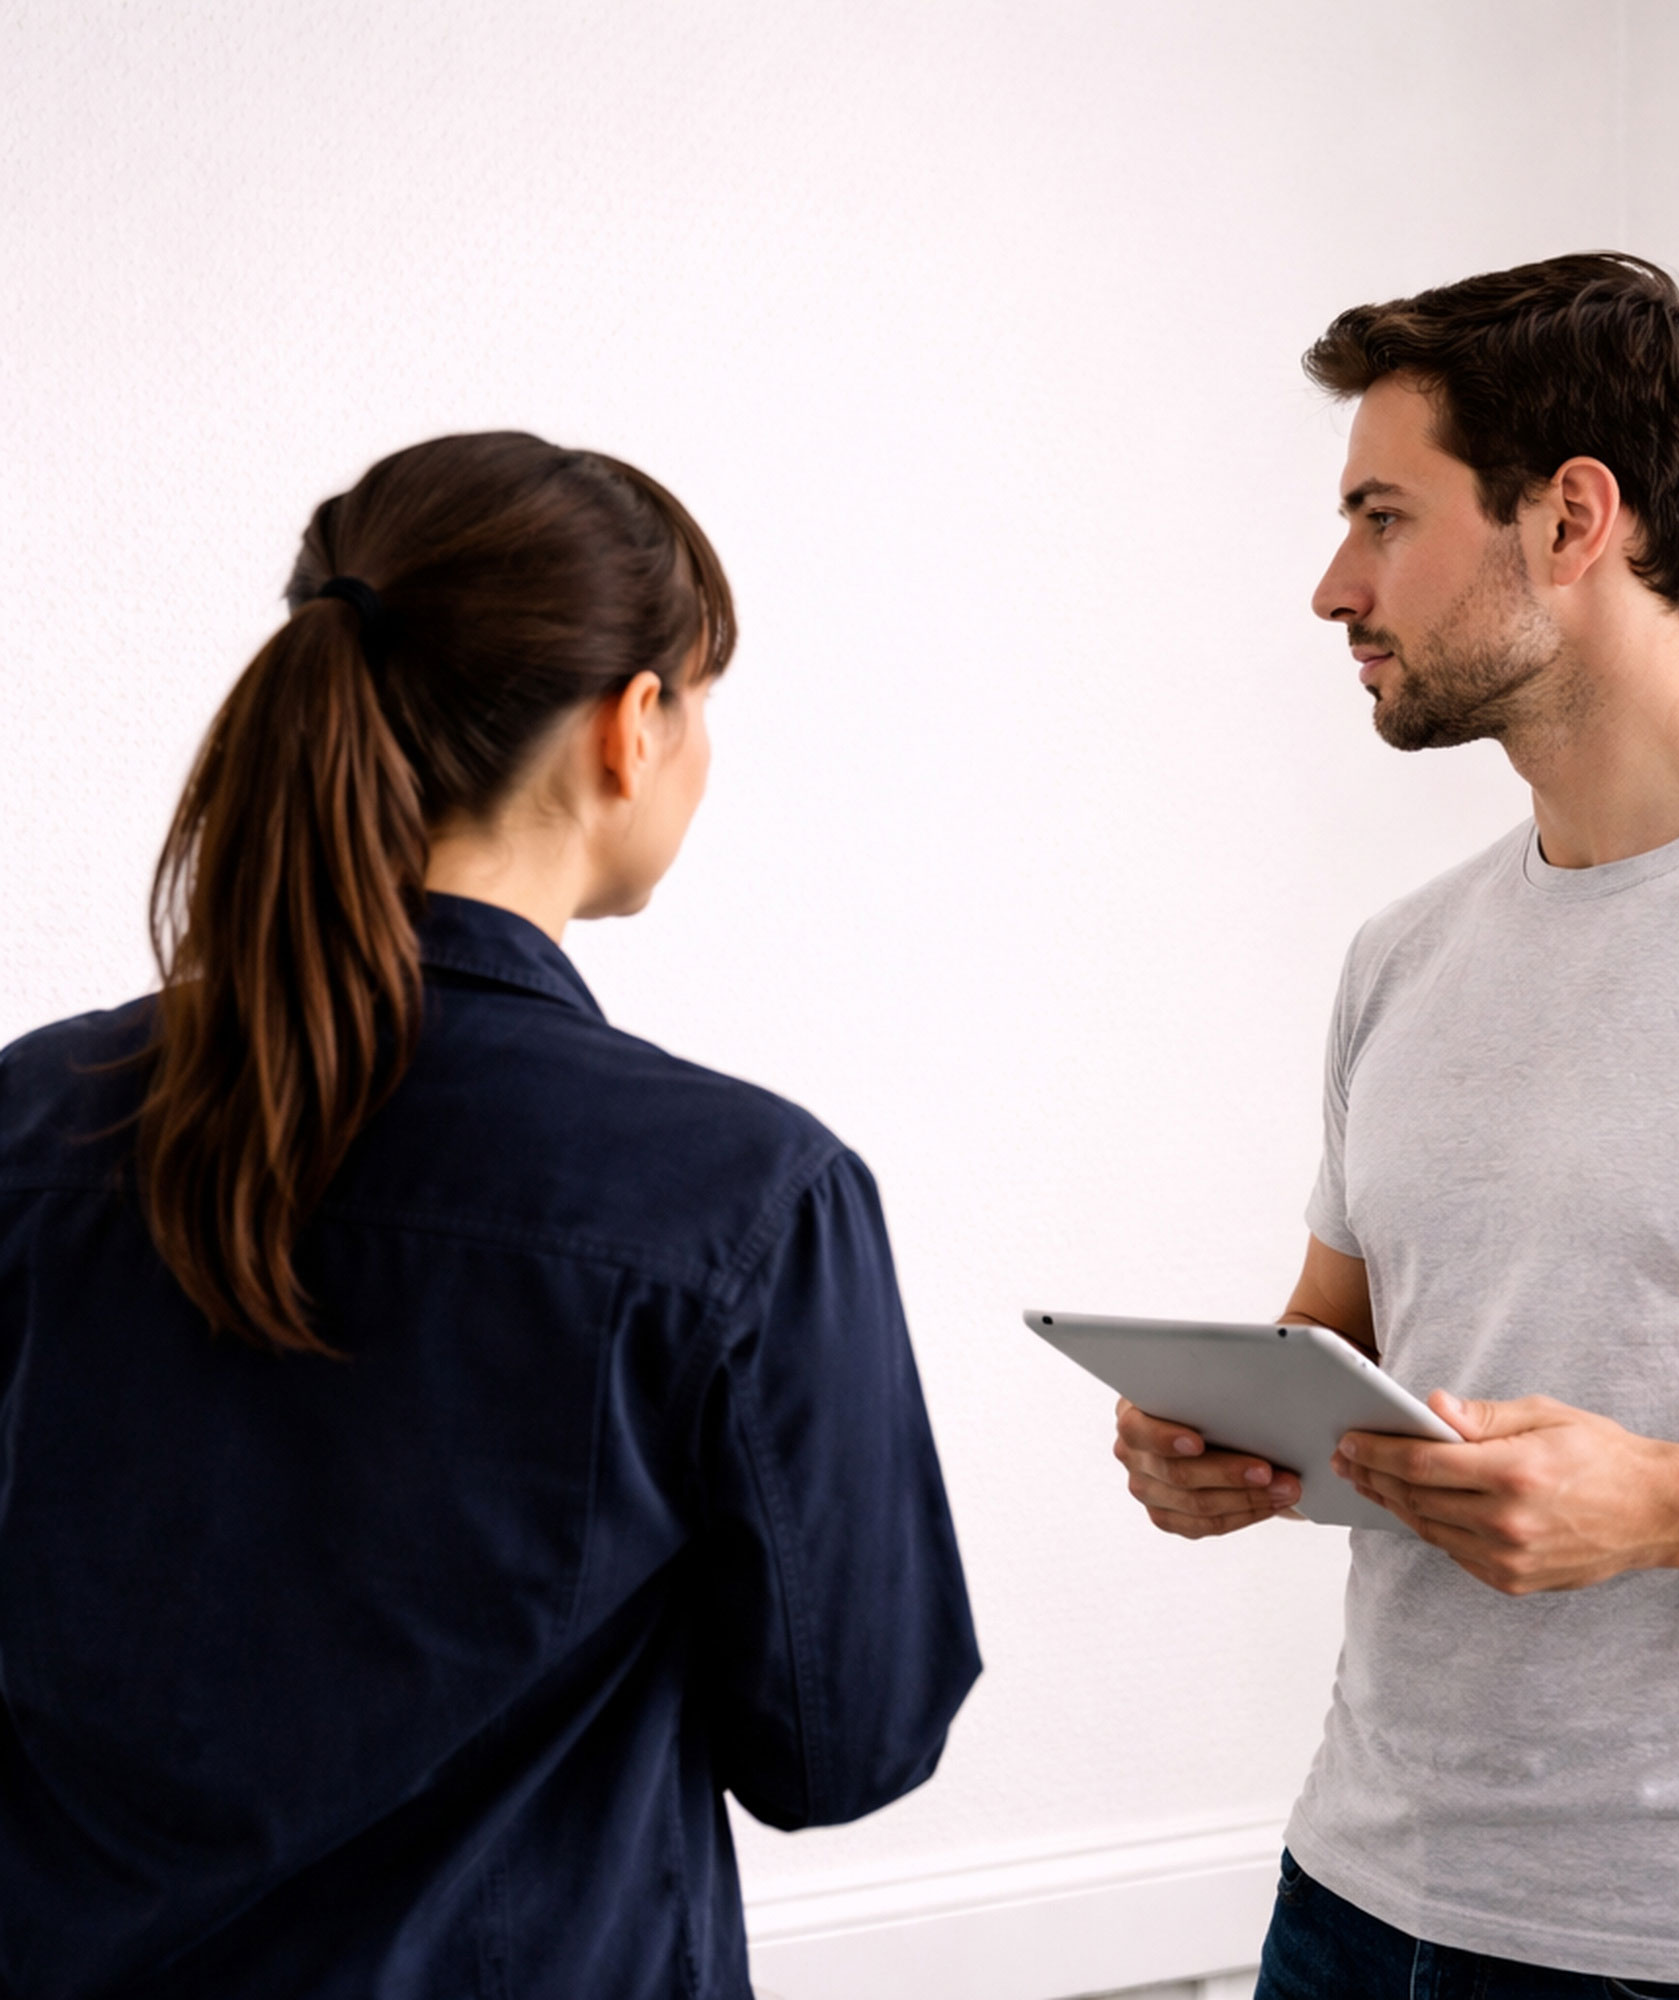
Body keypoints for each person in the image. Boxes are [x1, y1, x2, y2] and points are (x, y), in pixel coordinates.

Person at [1114, 255, 1679, 1998]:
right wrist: (1224, 1444)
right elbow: (1344, 1355)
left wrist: (1666, 1503)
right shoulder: (1406, 957)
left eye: (1384, 516)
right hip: (1356, 1899)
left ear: (1574, 518)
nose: (1331, 587)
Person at [0, 432, 980, 1998]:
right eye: (704, 700)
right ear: (631, 724)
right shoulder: (741, 1193)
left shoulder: (33, 1118)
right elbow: (844, 1745)